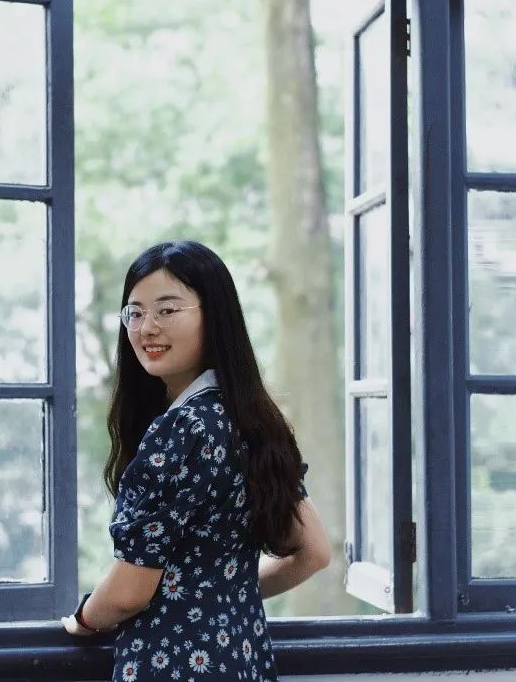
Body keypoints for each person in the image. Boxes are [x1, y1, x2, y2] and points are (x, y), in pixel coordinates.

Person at [61, 240, 332, 681]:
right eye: (134, 313)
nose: (147, 328)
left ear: (215, 315)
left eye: (167, 310)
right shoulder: (254, 420)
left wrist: (84, 619)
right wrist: (219, 594)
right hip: (245, 662)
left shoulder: (180, 429)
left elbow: (129, 593)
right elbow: (314, 552)